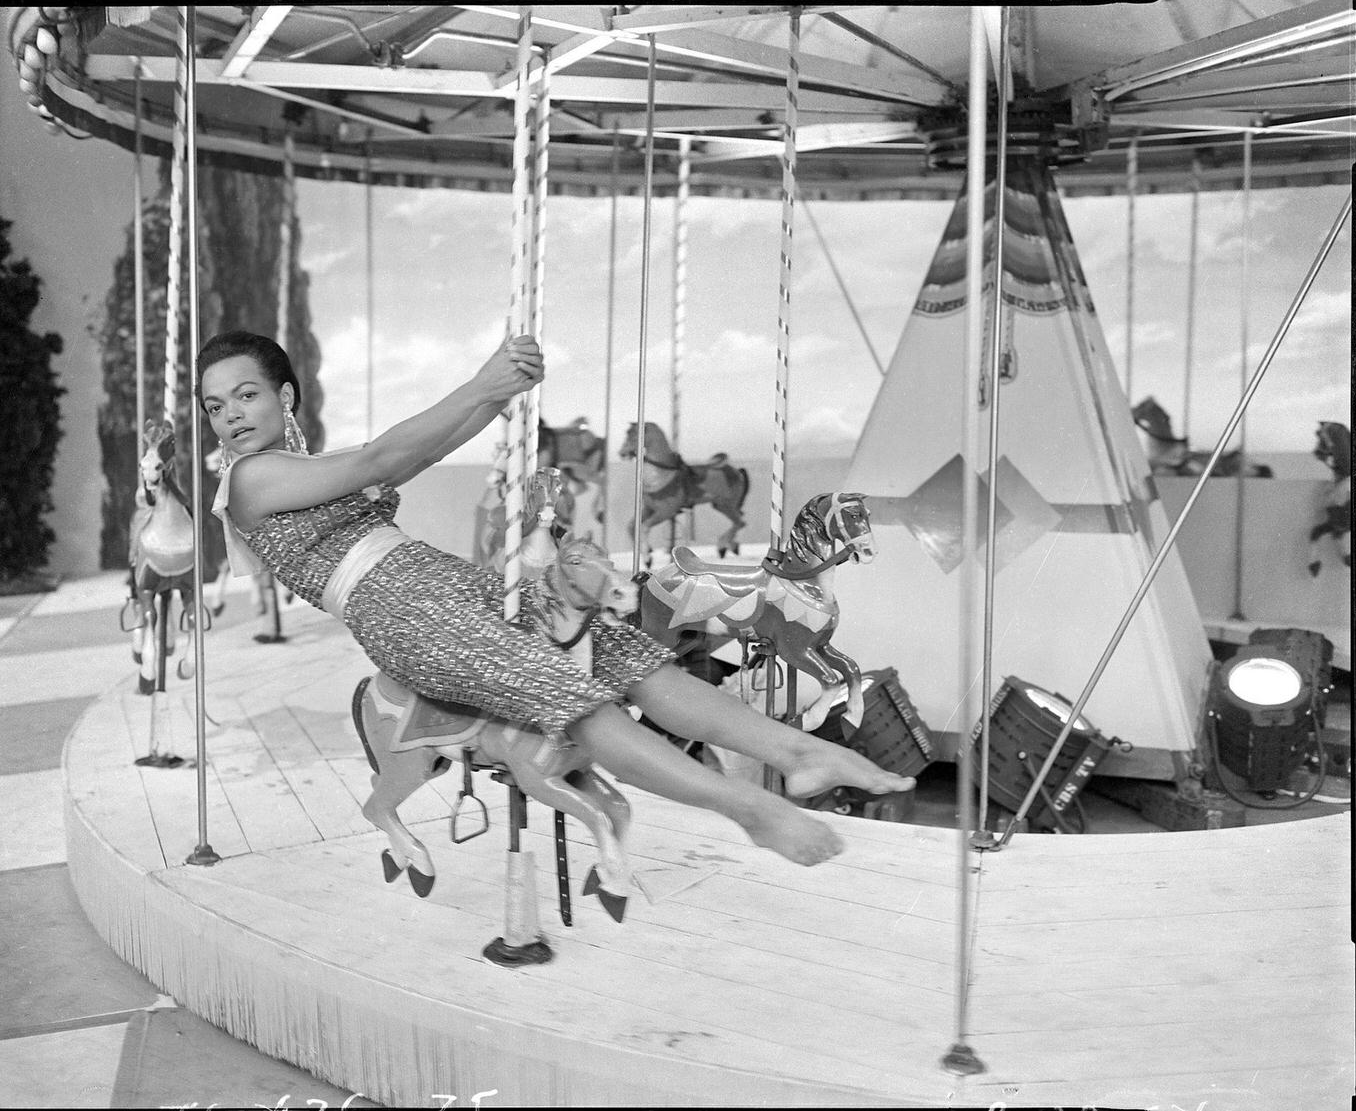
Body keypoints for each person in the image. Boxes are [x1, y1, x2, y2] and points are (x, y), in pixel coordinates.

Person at [198, 330, 912, 868]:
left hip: (436, 577)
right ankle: (748, 807)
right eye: (214, 406)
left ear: (284, 396)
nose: (229, 414)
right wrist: (480, 384)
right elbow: (379, 460)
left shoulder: (300, 466)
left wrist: (500, 393)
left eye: (244, 394)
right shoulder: (250, 479)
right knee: (566, 694)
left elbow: (419, 454)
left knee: (621, 653)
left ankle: (798, 751)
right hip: (397, 609)